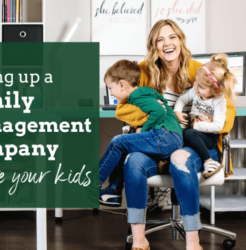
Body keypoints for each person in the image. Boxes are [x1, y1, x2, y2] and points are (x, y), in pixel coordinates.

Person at [100, 19, 236, 250]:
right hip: (160, 139)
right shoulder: (144, 71)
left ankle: (193, 243)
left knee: (179, 159)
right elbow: (122, 108)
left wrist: (207, 121)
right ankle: (139, 239)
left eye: (172, 37)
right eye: (159, 39)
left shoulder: (197, 69)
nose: (167, 43)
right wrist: (161, 116)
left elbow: (228, 109)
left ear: (180, 40)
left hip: (195, 143)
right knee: (132, 161)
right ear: (154, 45)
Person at [99, 60, 183, 206]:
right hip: (169, 138)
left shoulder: (137, 95)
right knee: (123, 147)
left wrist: (142, 130)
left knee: (117, 142)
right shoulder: (142, 94)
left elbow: (158, 111)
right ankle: (113, 191)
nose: (111, 93)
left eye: (110, 88)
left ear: (122, 84)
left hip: (166, 136)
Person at [174, 54, 237, 179]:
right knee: (178, 136)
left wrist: (196, 125)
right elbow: (182, 99)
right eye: (196, 83)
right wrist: (177, 112)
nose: (195, 88)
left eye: (201, 87)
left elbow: (217, 126)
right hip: (197, 132)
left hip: (209, 136)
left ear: (215, 90)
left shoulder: (219, 101)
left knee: (188, 134)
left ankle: (209, 162)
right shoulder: (195, 90)